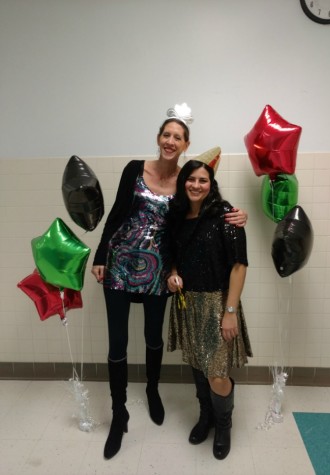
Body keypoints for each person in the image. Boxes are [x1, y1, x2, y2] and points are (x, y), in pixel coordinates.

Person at [91, 104, 248, 460]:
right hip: (118, 265)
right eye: (166, 135)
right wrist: (101, 256)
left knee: (152, 336)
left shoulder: (186, 179)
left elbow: (198, 212)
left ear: (186, 143)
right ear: (158, 138)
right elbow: (116, 212)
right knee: (117, 342)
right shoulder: (134, 169)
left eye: (178, 137)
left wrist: (237, 213)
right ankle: (119, 414)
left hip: (160, 272)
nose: (170, 141)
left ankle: (151, 391)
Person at [167, 149, 252, 460]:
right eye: (190, 178)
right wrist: (173, 275)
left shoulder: (225, 215)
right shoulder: (176, 218)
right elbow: (173, 260)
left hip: (218, 303)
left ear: (211, 183)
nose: (196, 184)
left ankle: (224, 423)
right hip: (187, 304)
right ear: (182, 182)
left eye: (203, 180)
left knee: (217, 372)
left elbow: (239, 266)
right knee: (199, 366)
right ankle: (206, 417)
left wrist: (229, 312)